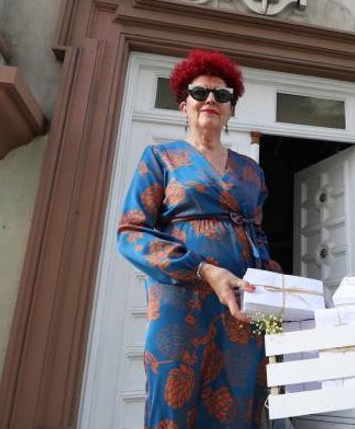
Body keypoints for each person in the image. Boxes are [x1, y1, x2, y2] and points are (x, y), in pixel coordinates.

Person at [118, 49, 277, 429]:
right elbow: (131, 233)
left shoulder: (251, 172)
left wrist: (276, 289)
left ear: (231, 109)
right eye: (200, 92)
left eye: (222, 95)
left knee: (236, 401)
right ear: (183, 104)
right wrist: (203, 269)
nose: (211, 100)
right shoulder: (160, 157)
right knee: (174, 395)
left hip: (241, 302)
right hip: (180, 298)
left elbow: (257, 235)